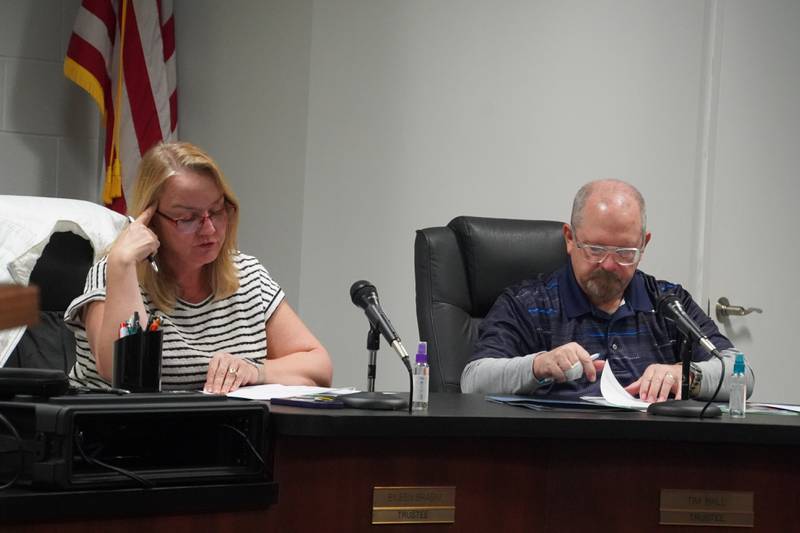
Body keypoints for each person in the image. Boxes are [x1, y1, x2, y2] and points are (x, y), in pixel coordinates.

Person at [65, 142, 332, 393]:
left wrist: (255, 370)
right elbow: (121, 371)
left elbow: (318, 367)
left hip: (226, 434)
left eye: (216, 211)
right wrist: (122, 264)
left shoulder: (249, 276)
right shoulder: (114, 273)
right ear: (151, 220)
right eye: (187, 218)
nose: (209, 229)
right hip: (121, 434)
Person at [461, 179, 754, 402]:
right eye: (596, 249)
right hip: (557, 461)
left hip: (656, 460)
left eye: (625, 252)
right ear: (570, 239)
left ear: (644, 245)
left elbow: (742, 374)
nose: (609, 265)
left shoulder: (668, 303)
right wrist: (538, 365)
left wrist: (686, 375)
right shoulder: (527, 304)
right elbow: (473, 381)